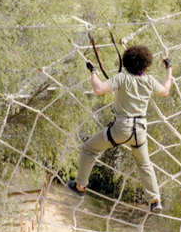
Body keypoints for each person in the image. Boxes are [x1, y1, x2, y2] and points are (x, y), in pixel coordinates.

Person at [68, 45, 173, 213]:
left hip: (120, 129)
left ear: (125, 61)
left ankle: (81, 186)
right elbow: (166, 90)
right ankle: (155, 200)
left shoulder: (122, 77)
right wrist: (169, 68)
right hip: (139, 131)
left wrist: (93, 72)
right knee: (144, 164)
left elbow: (98, 89)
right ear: (146, 64)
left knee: (88, 148)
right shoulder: (150, 80)